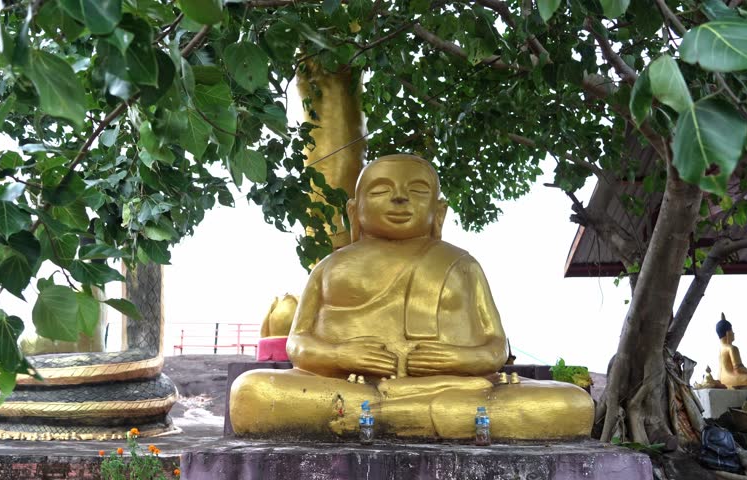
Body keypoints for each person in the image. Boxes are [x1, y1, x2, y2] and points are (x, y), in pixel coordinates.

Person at [229, 154, 593, 440]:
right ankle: (422, 417)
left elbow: (495, 349)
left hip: (458, 387)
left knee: (570, 403)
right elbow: (299, 345)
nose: (400, 198)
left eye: (417, 191)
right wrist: (341, 355)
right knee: (253, 392)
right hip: (347, 386)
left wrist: (458, 358)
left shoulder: (461, 264)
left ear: (439, 211)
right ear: (354, 212)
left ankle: (379, 418)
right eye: (381, 190)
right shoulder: (329, 267)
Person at [717, 314, 747, 389]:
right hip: (731, 379)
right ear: (728, 333)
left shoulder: (720, 350)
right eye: (732, 331)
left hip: (721, 379)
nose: (733, 333)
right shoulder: (732, 348)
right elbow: (738, 369)